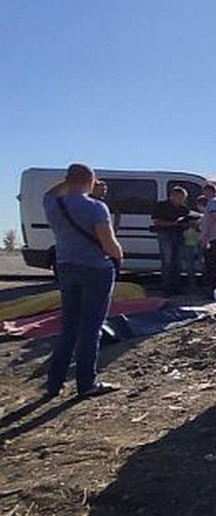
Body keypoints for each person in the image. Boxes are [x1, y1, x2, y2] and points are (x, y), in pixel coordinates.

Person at [42, 163, 123, 399]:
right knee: (91, 328)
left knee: (69, 327)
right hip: (95, 269)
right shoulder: (97, 207)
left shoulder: (53, 204)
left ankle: (54, 384)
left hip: (66, 267)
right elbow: (108, 243)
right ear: (92, 179)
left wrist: (69, 182)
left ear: (67, 180)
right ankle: (86, 383)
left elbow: (49, 193)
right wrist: (119, 256)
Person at [152, 186, 189, 294]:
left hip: (179, 235)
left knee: (177, 262)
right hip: (165, 235)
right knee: (167, 261)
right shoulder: (162, 206)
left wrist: (187, 223)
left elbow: (187, 221)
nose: (182, 200)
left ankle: (176, 287)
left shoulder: (183, 208)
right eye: (180, 197)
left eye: (183, 198)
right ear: (172, 196)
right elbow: (156, 221)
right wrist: (173, 224)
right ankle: (166, 287)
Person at [180, 196, 207, 290]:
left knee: (193, 264)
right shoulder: (203, 216)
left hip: (193, 242)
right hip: (196, 242)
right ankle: (198, 284)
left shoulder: (201, 216)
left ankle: (195, 284)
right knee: (199, 264)